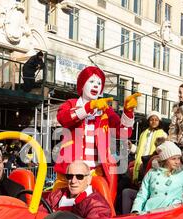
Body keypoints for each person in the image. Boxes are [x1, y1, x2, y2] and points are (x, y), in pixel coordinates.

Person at [54, 66, 139, 198]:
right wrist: (89, 107)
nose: (96, 86)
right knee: (60, 205)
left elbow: (123, 133)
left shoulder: (106, 110)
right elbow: (63, 118)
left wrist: (128, 112)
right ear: (82, 85)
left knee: (99, 208)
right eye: (92, 82)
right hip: (70, 172)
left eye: (99, 83)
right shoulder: (71, 104)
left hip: (96, 172)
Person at [40, 160, 111, 219]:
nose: (73, 181)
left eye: (79, 176)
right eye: (69, 176)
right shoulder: (56, 195)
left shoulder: (97, 204)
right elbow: (39, 214)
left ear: (89, 179)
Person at [132, 110, 168, 185]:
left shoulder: (163, 134)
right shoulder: (143, 134)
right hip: (141, 164)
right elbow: (138, 151)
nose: (154, 121)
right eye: (152, 119)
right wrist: (131, 147)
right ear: (148, 121)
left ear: (159, 122)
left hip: (153, 163)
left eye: (156, 120)